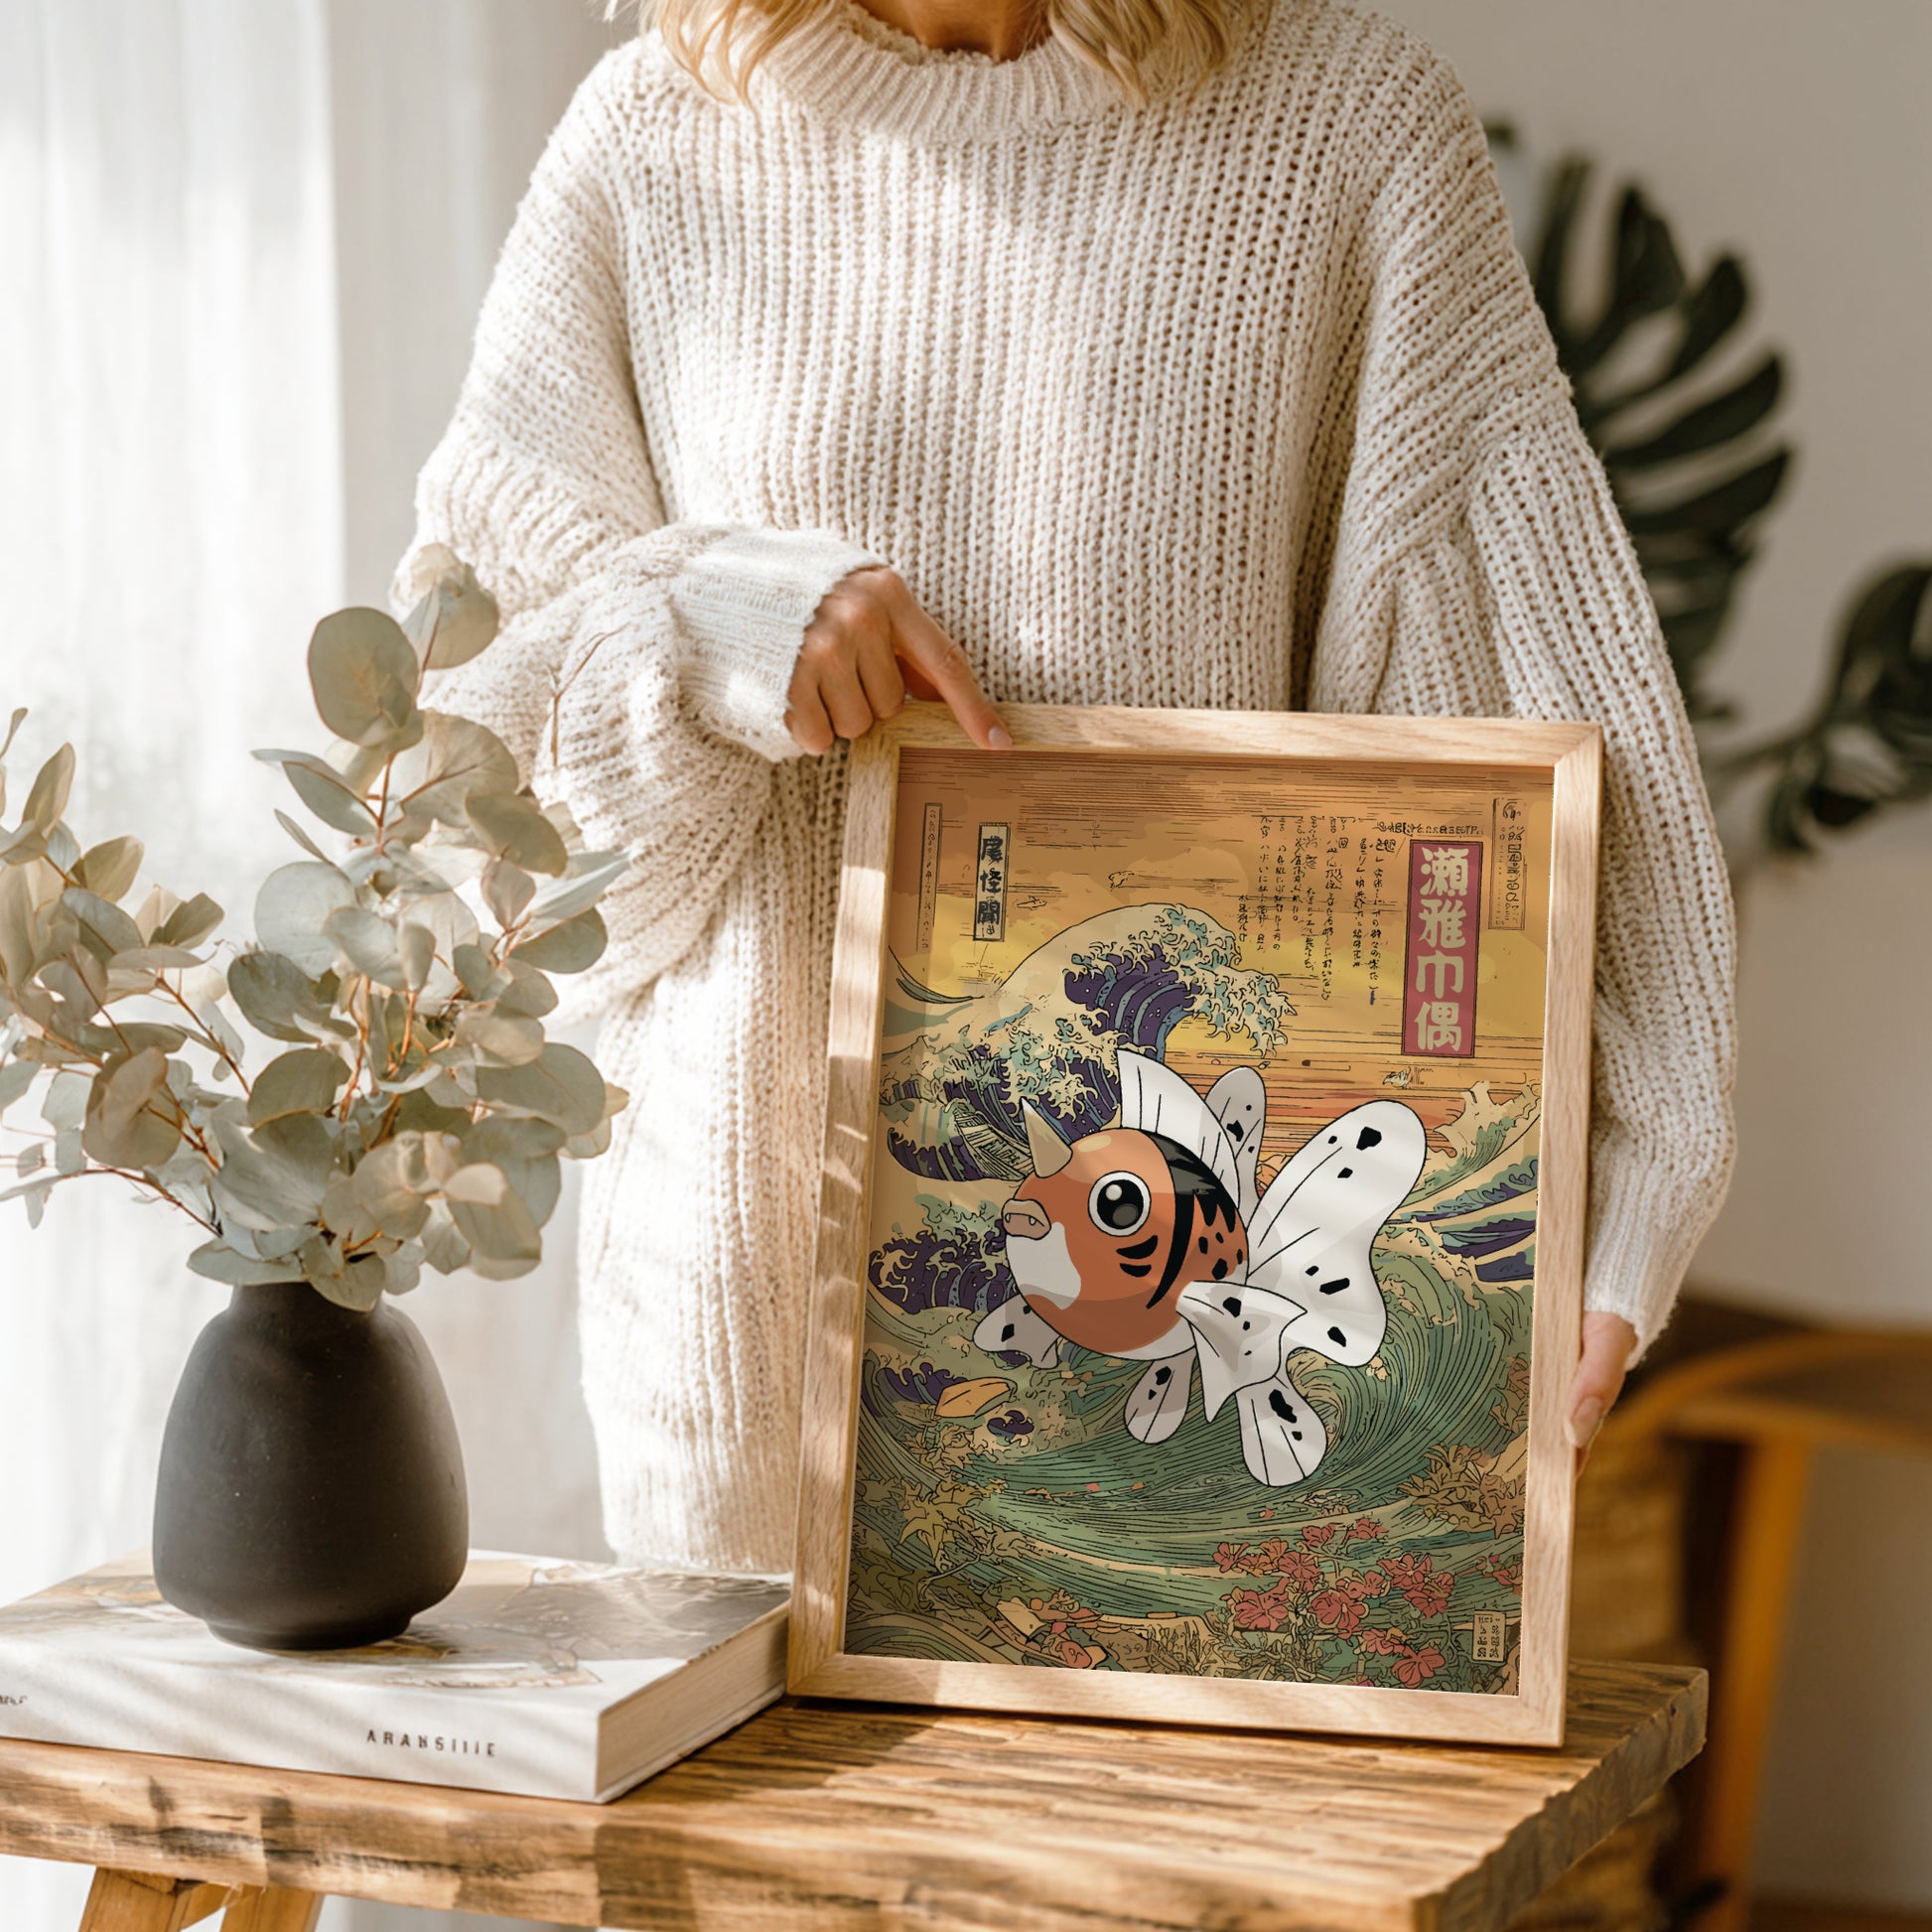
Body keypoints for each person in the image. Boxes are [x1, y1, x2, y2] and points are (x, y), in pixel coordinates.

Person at [393, 0, 1735, 1576]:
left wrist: (1625, 1173)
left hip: (1195, 1376)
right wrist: (705, 622)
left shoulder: (1344, 127)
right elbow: (466, 824)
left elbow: (1521, 692)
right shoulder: (649, 141)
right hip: (741, 1352)